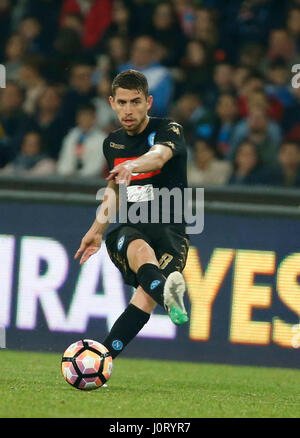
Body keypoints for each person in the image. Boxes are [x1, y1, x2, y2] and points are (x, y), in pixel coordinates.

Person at [74, 69, 190, 360]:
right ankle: (169, 296)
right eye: (122, 102)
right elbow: (113, 189)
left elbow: (160, 155)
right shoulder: (112, 143)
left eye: (135, 102)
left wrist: (134, 165)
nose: (128, 110)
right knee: (138, 249)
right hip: (132, 226)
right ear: (112, 103)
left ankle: (102, 360)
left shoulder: (168, 129)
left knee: (144, 298)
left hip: (171, 231)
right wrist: (97, 230)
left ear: (149, 102)